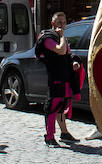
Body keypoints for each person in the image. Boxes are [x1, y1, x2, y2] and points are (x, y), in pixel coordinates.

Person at [36, 11, 83, 146]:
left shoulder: (61, 37)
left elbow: (67, 54)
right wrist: (62, 36)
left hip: (65, 77)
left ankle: (64, 133)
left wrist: (74, 62)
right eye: (59, 22)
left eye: (64, 22)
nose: (62, 25)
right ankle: (49, 136)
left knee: (61, 106)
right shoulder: (49, 38)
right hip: (55, 77)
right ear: (53, 24)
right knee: (52, 107)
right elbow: (61, 50)